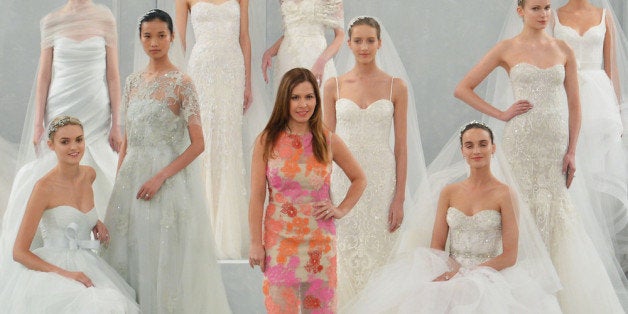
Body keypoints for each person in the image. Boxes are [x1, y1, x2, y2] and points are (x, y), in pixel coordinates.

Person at [454, 0, 626, 311]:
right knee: (519, 209)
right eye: (535, 8)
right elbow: (463, 87)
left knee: (556, 213)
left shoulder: (563, 49)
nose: (544, 14)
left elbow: (575, 105)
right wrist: (501, 113)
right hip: (521, 143)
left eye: (547, 7)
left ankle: (558, 296)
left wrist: (572, 150)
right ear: (520, 11)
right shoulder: (506, 48)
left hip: (555, 144)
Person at [345, 122, 561, 313]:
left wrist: (470, 274)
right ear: (462, 151)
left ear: (493, 148)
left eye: (483, 144)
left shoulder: (505, 194)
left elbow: (510, 256)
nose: (476, 150)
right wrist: (451, 273)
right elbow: (437, 248)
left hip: (489, 274)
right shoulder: (449, 192)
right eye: (469, 145)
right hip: (452, 271)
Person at [101, 9, 231, 313]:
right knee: (129, 253)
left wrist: (161, 176)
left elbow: (198, 144)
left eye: (161, 35)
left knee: (162, 258)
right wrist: (118, 185)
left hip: (166, 184)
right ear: (140, 39)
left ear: (172, 37)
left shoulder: (183, 83)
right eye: (148, 36)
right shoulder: (132, 82)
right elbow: (128, 141)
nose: (154, 42)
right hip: (132, 180)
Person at [248, 67, 366, 313]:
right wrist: (255, 243)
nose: (303, 104)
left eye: (309, 97)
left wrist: (341, 209)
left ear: (317, 99)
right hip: (279, 241)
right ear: (285, 100)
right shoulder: (266, 140)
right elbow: (257, 196)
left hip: (319, 242)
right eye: (296, 97)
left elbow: (359, 178)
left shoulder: (326, 139)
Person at [0, 116, 138, 313]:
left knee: (113, 302)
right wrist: (66, 275)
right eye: (65, 142)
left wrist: (93, 221)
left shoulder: (89, 174)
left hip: (88, 262)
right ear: (51, 145)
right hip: (54, 268)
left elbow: (72, 212)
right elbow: (19, 252)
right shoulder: (43, 188)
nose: (74, 147)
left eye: (79, 139)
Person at [323, 16, 410, 305]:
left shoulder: (395, 86)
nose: (364, 46)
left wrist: (399, 197)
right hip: (341, 179)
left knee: (379, 247)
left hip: (381, 178)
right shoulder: (333, 85)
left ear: (379, 43)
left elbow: (401, 147)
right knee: (344, 249)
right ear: (348, 44)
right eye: (358, 40)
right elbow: (325, 144)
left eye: (370, 40)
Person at [552, 0, 628, 272]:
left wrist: (617, 113)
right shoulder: (554, 16)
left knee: (597, 176)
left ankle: (598, 258)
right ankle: (572, 258)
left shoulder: (604, 15)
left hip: (599, 101)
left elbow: (611, 69)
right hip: (564, 95)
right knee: (570, 176)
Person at [175, 0, 252, 259]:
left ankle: (228, 231)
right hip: (201, 68)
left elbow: (244, 37)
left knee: (228, 143)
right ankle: (201, 228)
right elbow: (179, 41)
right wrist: (176, 83)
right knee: (202, 139)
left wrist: (248, 82)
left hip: (232, 68)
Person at [262, 0, 345, 93]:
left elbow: (340, 36)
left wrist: (322, 61)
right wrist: (269, 52)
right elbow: (290, 33)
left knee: (316, 100)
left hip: (317, 60)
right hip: (287, 61)